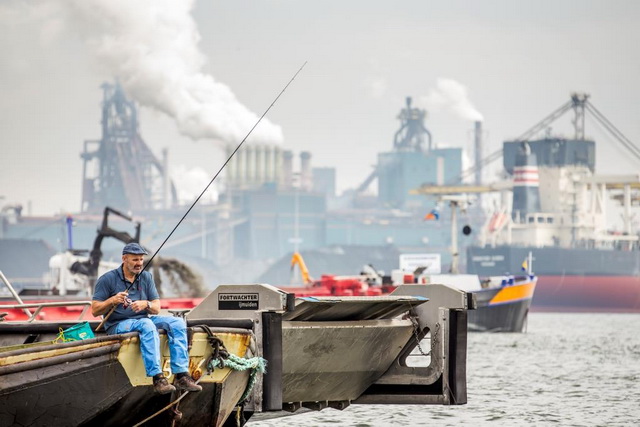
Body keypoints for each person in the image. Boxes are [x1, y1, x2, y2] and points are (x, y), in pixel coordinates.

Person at [91, 242, 202, 395]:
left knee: (177, 322)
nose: (139, 263)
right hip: (117, 325)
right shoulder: (107, 279)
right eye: (135, 260)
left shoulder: (146, 277)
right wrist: (112, 300)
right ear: (124, 259)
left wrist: (146, 304)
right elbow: (94, 310)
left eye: (141, 259)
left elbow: (156, 308)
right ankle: (158, 378)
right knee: (146, 324)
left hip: (143, 319)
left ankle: (181, 375)